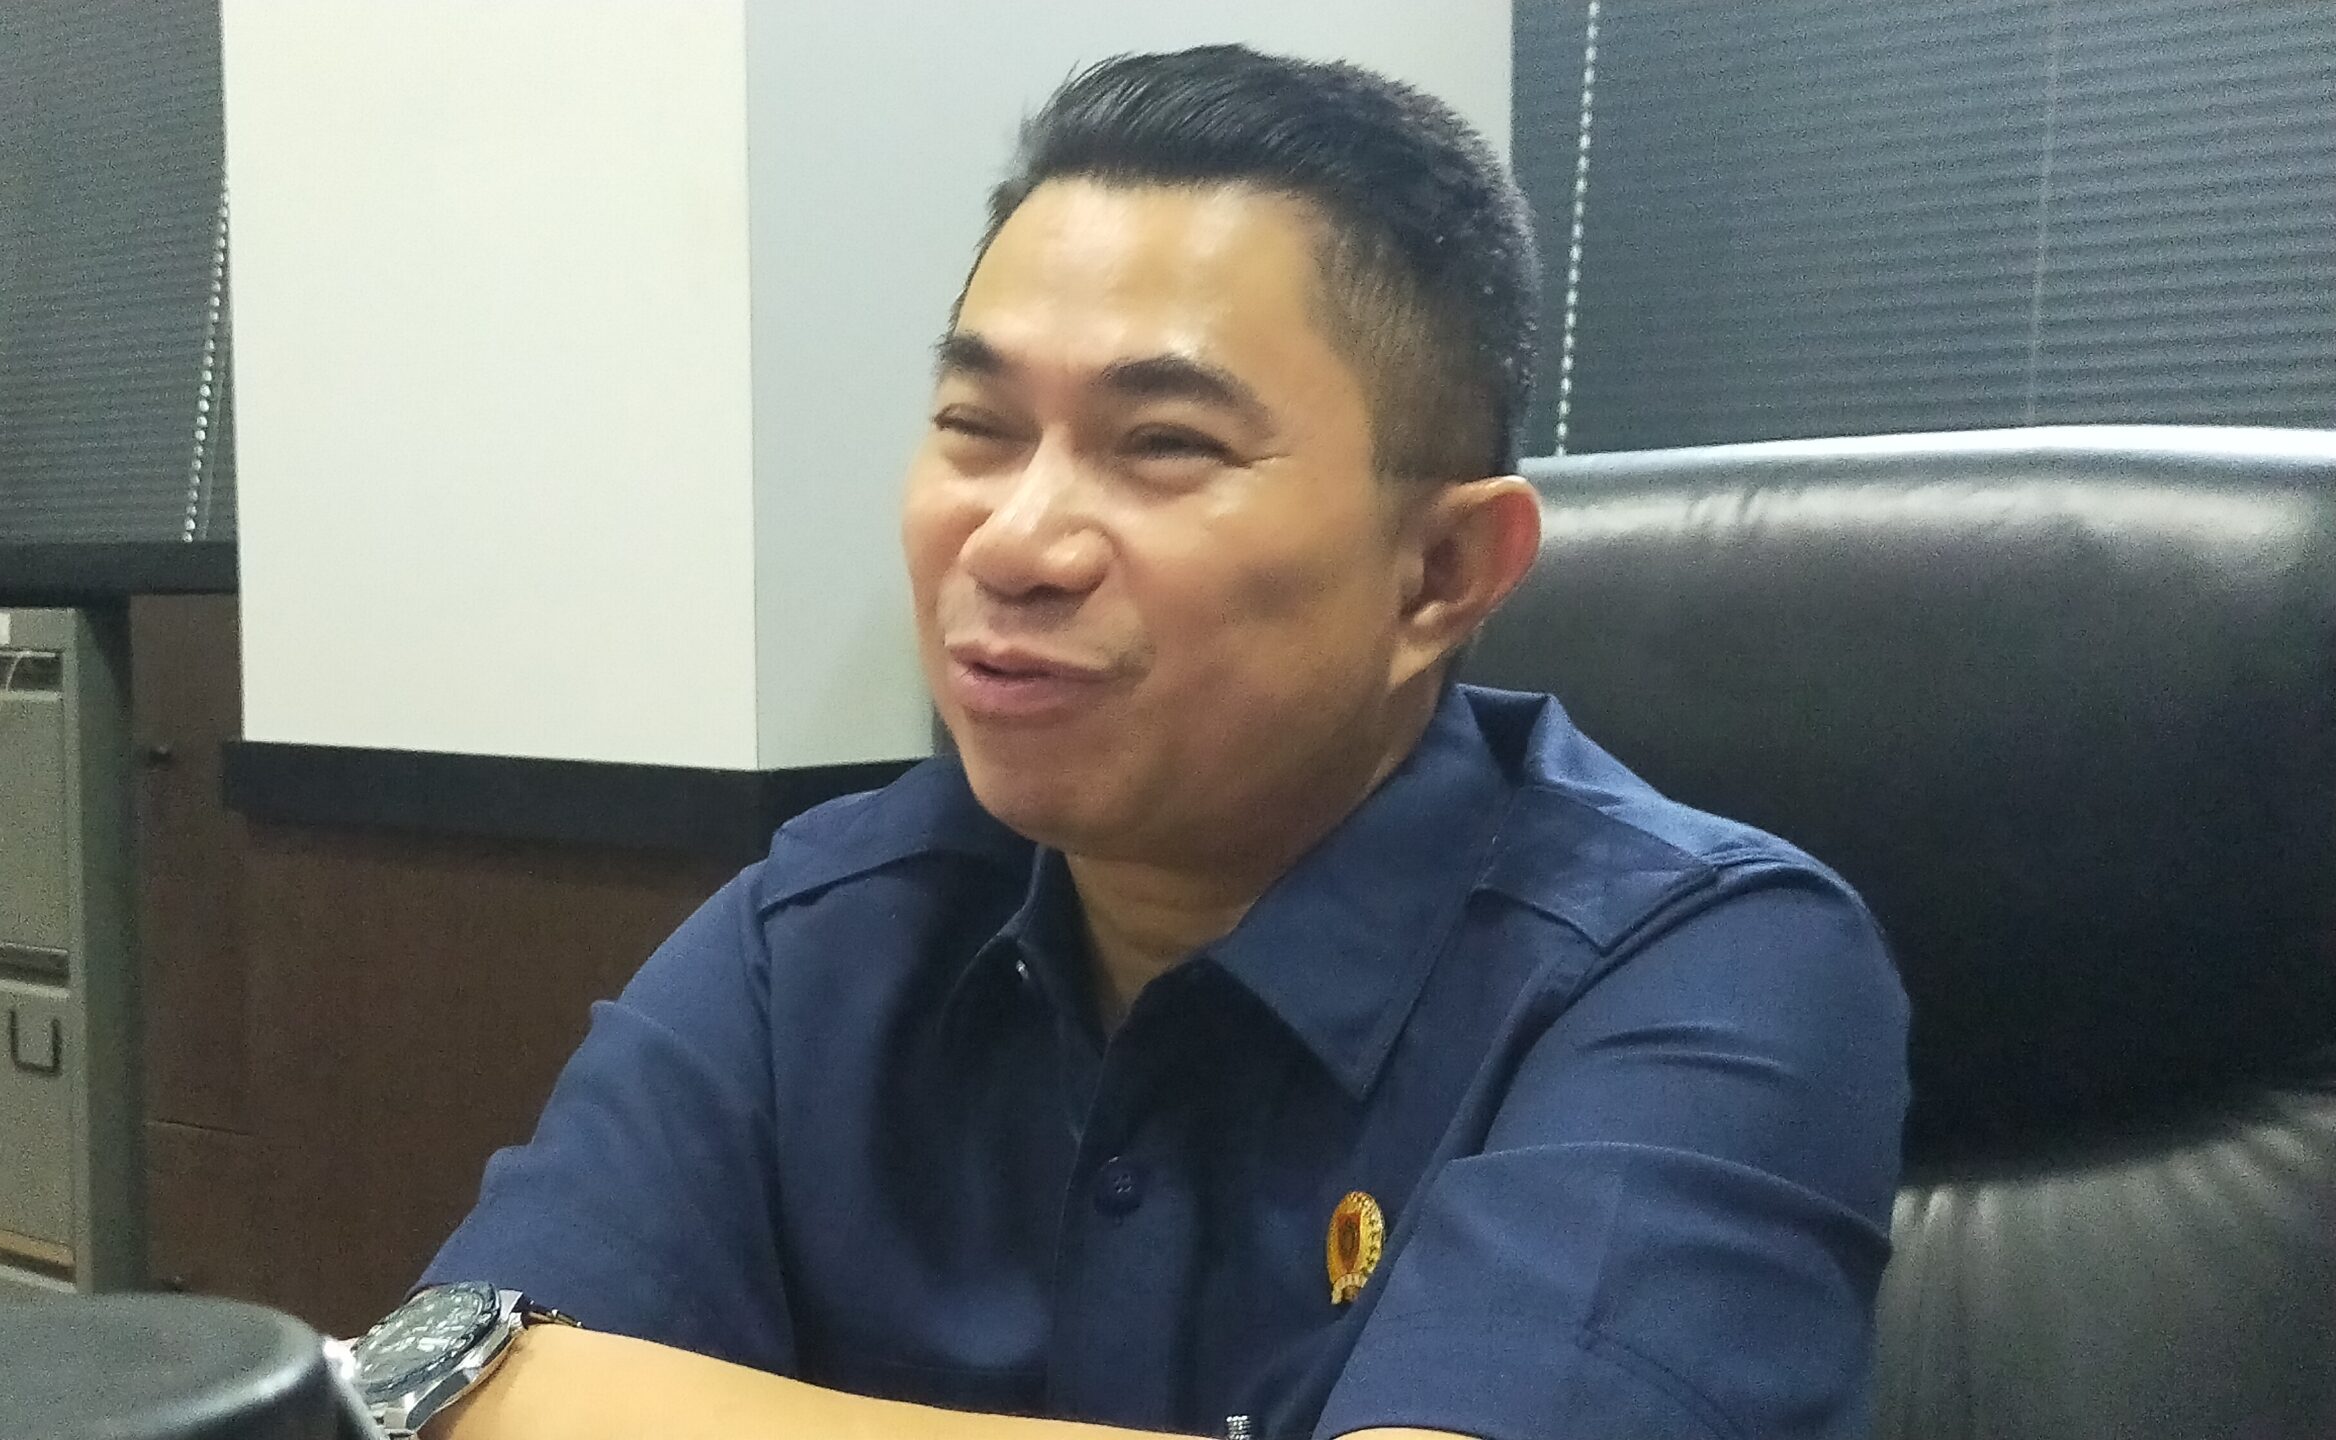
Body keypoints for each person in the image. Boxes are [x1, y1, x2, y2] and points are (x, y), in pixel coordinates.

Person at [393, 44, 1909, 1440]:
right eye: (976, 426)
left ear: (1440, 573)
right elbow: (449, 1390)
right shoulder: (822, 933)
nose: (1015, 540)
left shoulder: (1705, 966)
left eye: (1163, 444)